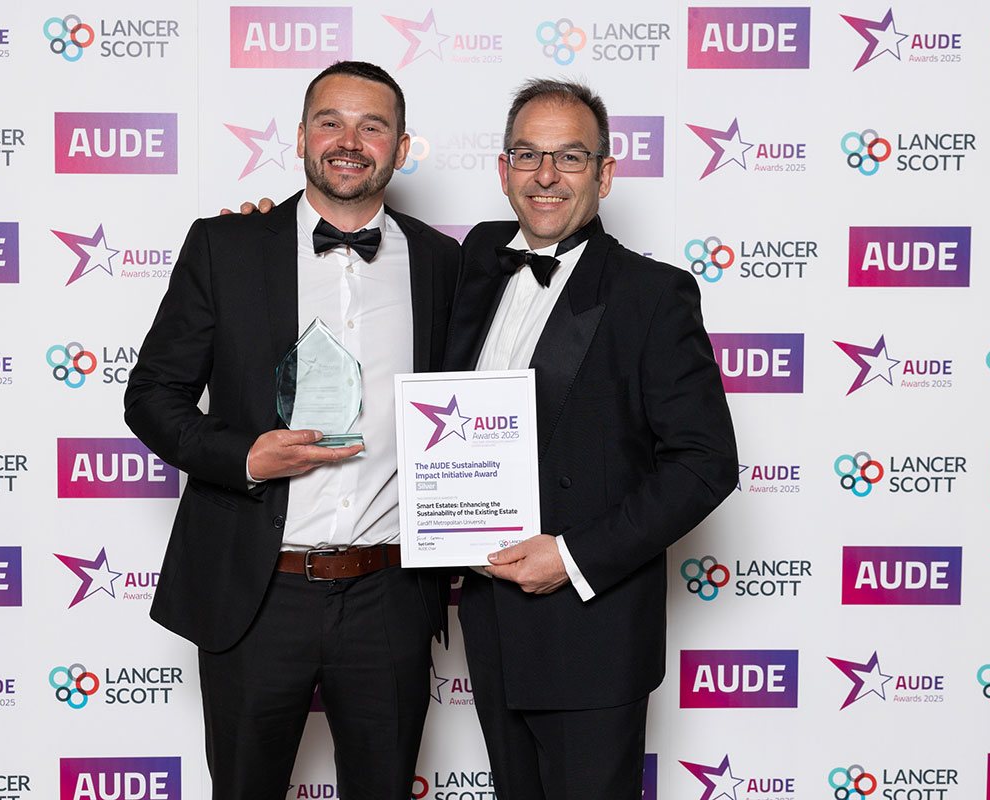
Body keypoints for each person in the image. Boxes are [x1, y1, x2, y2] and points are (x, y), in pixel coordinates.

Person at [124, 61, 459, 800]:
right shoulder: (226, 247)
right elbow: (152, 396)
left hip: (389, 597)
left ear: (402, 149)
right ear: (301, 136)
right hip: (256, 592)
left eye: (373, 126)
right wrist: (241, 454)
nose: (350, 140)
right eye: (330, 121)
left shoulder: (445, 263)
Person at [442, 79, 737, 799]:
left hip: (589, 633)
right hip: (490, 625)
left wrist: (571, 558)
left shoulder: (652, 294)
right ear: (503, 169)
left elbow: (706, 463)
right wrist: (268, 230)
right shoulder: (476, 259)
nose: (546, 176)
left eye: (569, 157)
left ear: (605, 173)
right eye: (528, 155)